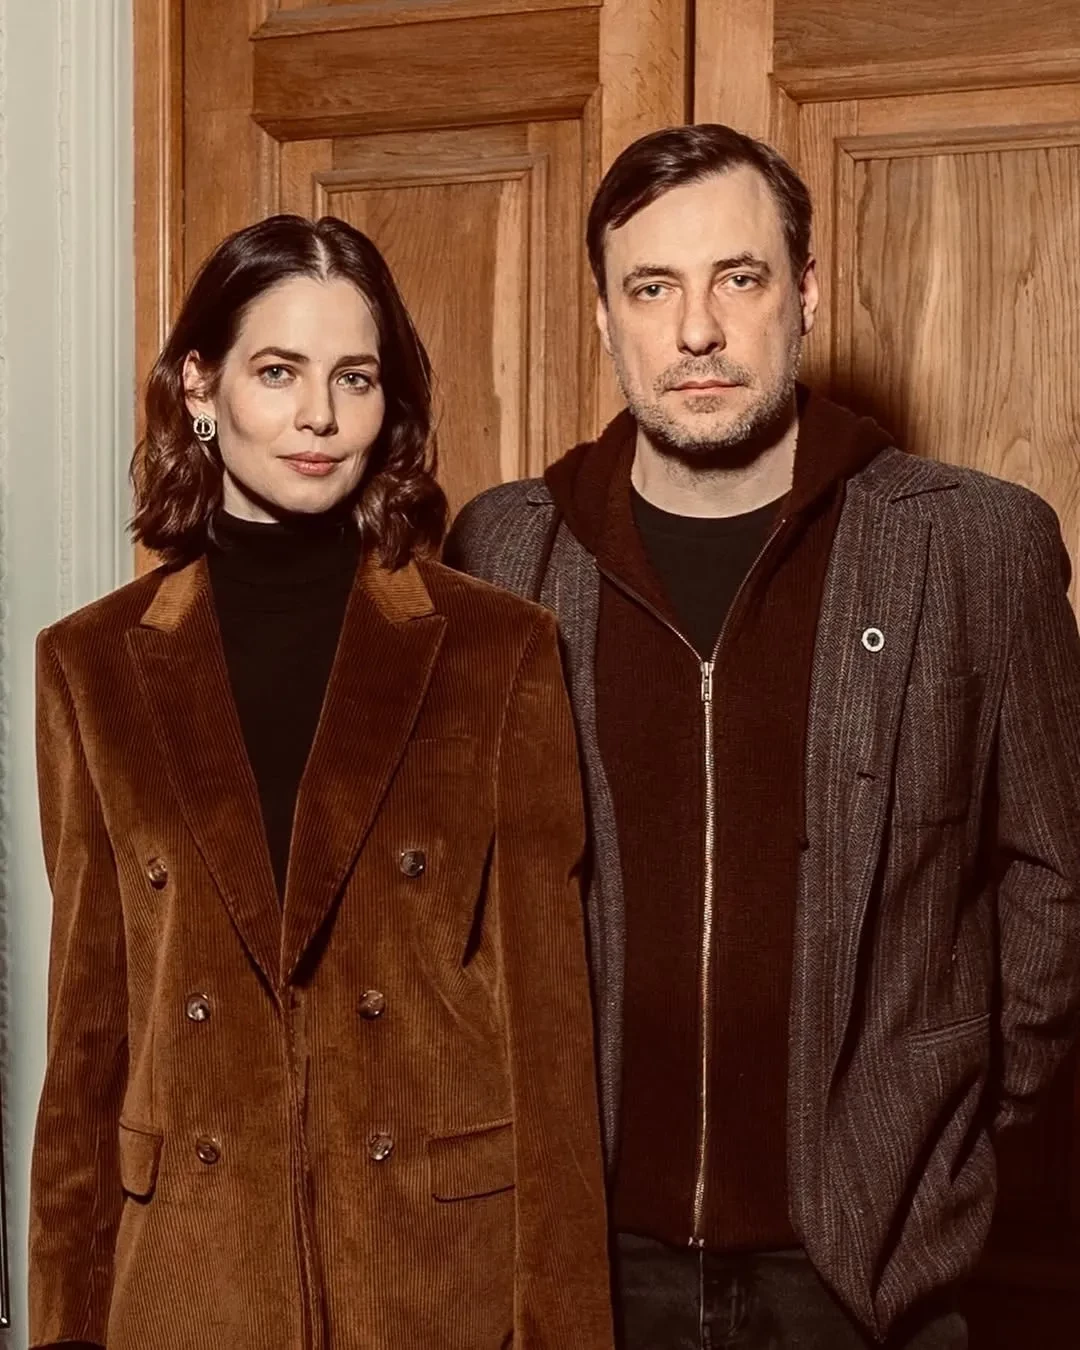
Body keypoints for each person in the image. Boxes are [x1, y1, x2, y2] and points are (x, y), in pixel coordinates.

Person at [445, 124, 1080, 1349]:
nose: (697, 330)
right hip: (575, 1261)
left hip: (864, 1268)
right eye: (652, 288)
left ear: (806, 295)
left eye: (738, 278)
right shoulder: (505, 549)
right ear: (604, 316)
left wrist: (936, 1129)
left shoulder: (972, 546)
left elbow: (1056, 874)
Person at [29, 214, 613, 1350]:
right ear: (201, 387)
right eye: (277, 371)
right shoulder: (92, 666)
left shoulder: (496, 650)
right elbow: (87, 1045)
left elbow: (551, 1045)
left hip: (428, 1285)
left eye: (354, 377)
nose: (319, 417)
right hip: (190, 1285)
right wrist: (64, 1329)